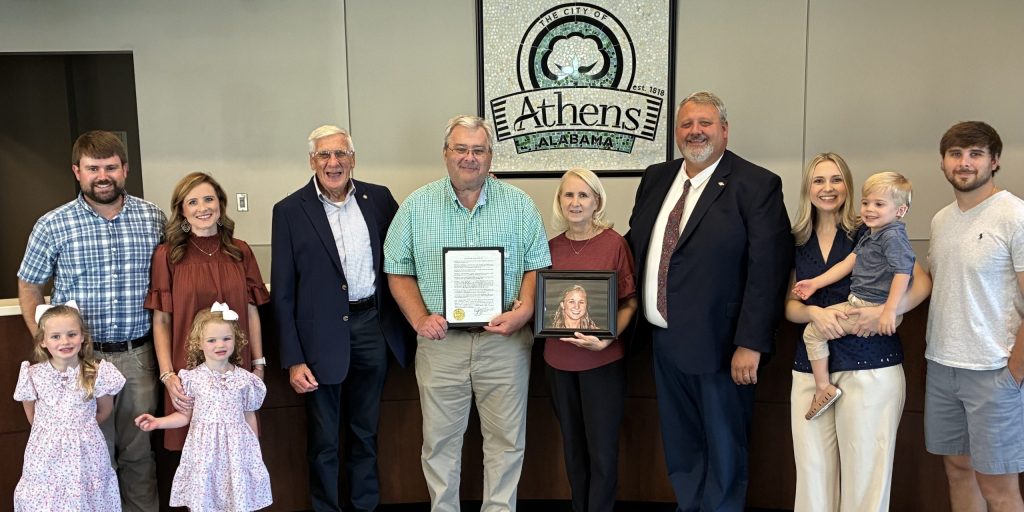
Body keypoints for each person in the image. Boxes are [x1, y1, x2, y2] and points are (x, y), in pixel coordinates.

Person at [626, 91, 792, 511]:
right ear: (676, 132)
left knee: (724, 448)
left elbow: (768, 271)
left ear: (724, 130)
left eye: (705, 123)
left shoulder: (756, 185)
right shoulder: (656, 178)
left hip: (722, 346)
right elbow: (633, 247)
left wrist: (751, 342)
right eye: (686, 124)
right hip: (663, 340)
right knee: (681, 446)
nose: (695, 131)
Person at [384, 114, 551, 511]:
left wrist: (525, 309)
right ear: (446, 153)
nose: (469, 157)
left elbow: (536, 265)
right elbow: (397, 269)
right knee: (439, 444)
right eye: (461, 148)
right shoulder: (416, 206)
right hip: (441, 346)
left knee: (506, 443)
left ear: (490, 156)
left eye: (478, 150)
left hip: (504, 344)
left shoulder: (520, 205)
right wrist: (419, 318)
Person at [17, 130, 164, 511]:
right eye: (93, 168)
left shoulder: (152, 218)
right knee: (90, 461)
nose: (103, 176)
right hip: (79, 364)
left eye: (110, 167)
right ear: (77, 172)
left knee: (139, 454)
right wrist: (48, 345)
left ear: (125, 169)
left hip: (137, 357)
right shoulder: (53, 224)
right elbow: (30, 284)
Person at [272, 125, 413, 512]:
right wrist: (294, 359)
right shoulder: (289, 211)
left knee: (365, 434)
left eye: (341, 154)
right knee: (324, 441)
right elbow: (282, 292)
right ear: (312, 161)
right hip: (319, 340)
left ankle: (365, 506)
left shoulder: (379, 199)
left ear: (353, 159)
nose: (333, 162)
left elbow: (405, 253)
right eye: (324, 155)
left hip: (372, 328)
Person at [785, 153, 930, 511]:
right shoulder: (795, 240)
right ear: (807, 188)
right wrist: (814, 313)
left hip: (869, 364)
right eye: (819, 180)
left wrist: (884, 312)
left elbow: (921, 282)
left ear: (848, 186)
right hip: (812, 370)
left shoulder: (871, 228)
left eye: (836, 179)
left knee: (865, 477)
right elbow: (790, 307)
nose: (828, 188)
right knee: (812, 475)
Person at [925, 121, 1024, 511]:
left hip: (994, 371)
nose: (964, 163)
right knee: (958, 471)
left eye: (975, 154)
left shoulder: (1014, 215)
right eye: (956, 154)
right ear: (943, 162)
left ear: (994, 161)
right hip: (942, 367)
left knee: (998, 486)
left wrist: (1014, 371)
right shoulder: (941, 220)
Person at [146, 171, 269, 450]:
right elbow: (162, 320)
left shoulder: (241, 251)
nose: (203, 208)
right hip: (187, 368)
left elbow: (251, 312)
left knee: (239, 446)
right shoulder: (168, 255)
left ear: (220, 204)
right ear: (182, 210)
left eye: (209, 199)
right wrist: (168, 375)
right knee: (196, 449)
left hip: (235, 365)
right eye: (193, 202)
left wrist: (258, 365)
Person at [545, 168, 637, 512]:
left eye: (584, 195)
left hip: (603, 363)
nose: (576, 202)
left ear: (597, 201)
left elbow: (630, 303)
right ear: (559, 201)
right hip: (558, 365)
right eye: (568, 195)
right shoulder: (549, 248)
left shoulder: (615, 244)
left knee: (602, 453)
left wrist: (608, 338)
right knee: (573, 450)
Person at [792, 171, 915, 420]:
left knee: (812, 333)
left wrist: (889, 310)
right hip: (856, 303)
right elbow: (849, 262)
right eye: (866, 202)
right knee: (816, 325)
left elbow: (905, 272)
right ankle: (823, 386)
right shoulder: (871, 234)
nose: (870, 209)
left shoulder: (891, 236)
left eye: (879, 204)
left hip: (871, 308)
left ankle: (822, 389)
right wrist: (815, 283)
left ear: (900, 211)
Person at [135, 304, 272, 512]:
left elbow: (249, 416)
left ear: (236, 339)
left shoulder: (245, 380)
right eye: (211, 340)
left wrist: (253, 451)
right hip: (204, 455)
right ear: (199, 343)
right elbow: (184, 416)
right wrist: (157, 422)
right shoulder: (192, 379)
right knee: (204, 501)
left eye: (227, 338)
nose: (220, 344)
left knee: (236, 499)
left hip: (236, 453)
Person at [14, 303, 126, 512]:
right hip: (45, 454)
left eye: (72, 334)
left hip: (86, 452)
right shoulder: (33, 375)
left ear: (82, 337)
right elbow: (32, 416)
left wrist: (80, 428)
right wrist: (54, 431)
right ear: (43, 341)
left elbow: (104, 411)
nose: (65, 341)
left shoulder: (96, 372)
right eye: (55, 336)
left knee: (87, 496)